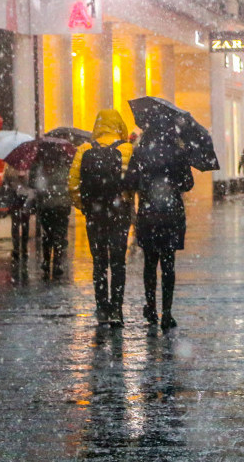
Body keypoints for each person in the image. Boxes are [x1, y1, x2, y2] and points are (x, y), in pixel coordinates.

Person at [124, 122, 194, 331]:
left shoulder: (141, 153)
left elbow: (129, 181)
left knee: (149, 262)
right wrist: (173, 183)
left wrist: (144, 185)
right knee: (168, 263)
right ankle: (168, 312)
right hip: (171, 214)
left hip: (148, 213)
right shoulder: (177, 153)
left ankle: (151, 307)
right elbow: (188, 183)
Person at [69, 109, 135, 327]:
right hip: (119, 214)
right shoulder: (128, 149)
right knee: (118, 262)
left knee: (99, 262)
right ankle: (117, 308)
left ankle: (102, 308)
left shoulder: (84, 149)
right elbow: (133, 182)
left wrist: (85, 207)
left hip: (95, 215)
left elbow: (73, 185)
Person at [30, 141, 74, 280]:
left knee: (47, 234)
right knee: (60, 233)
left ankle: (47, 260)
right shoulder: (66, 167)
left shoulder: (40, 166)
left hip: (46, 205)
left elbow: (33, 184)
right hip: (62, 205)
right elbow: (71, 182)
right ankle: (57, 263)